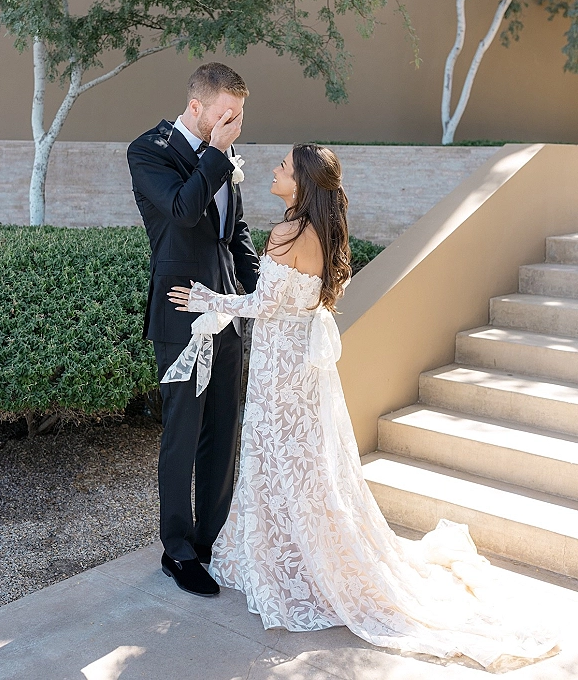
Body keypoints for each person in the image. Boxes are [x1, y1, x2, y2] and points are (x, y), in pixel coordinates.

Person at [165, 143, 559, 669]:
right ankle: (299, 553)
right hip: (302, 369)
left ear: (303, 182)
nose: (275, 170)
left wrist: (207, 300)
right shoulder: (324, 232)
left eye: (284, 166)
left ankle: (293, 563)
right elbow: (299, 301)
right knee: (307, 463)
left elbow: (263, 305)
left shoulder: (288, 233)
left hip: (281, 369)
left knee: (279, 457)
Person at [127, 62, 259, 598]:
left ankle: (213, 541)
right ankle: (177, 550)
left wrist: (258, 299)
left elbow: (236, 232)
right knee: (182, 434)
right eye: (225, 114)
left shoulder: (221, 157)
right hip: (182, 317)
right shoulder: (149, 151)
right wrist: (216, 156)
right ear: (197, 107)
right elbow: (183, 212)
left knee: (223, 432)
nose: (233, 124)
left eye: (241, 115)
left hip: (229, 313)